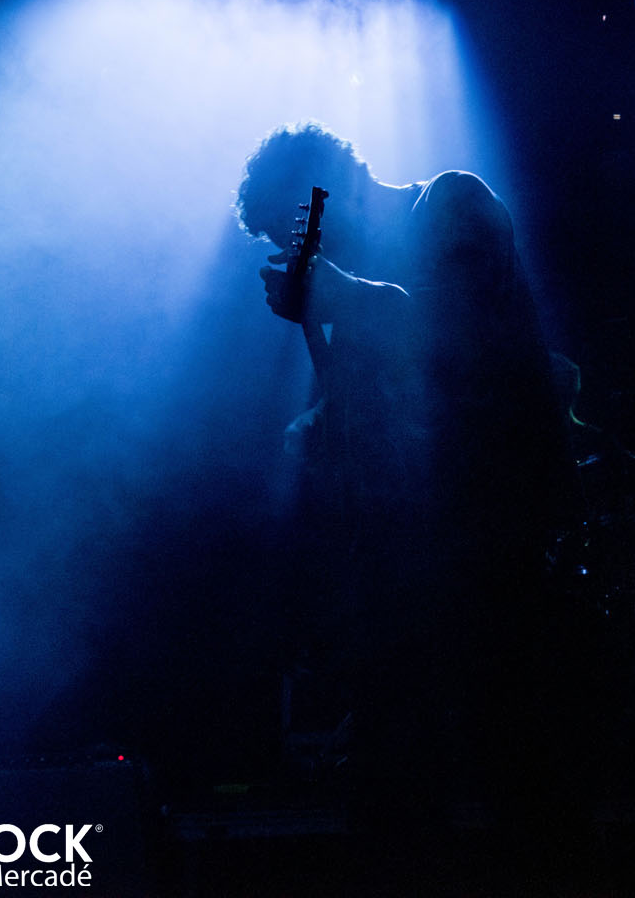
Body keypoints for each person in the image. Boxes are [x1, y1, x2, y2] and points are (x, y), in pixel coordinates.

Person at [236, 121, 580, 887]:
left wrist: (339, 297)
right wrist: (320, 426)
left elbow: (461, 330)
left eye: (300, 226)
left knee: (523, 775)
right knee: (396, 791)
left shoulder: (452, 203)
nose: (306, 248)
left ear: (329, 187)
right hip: (407, 563)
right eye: (290, 241)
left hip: (496, 544)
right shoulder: (360, 280)